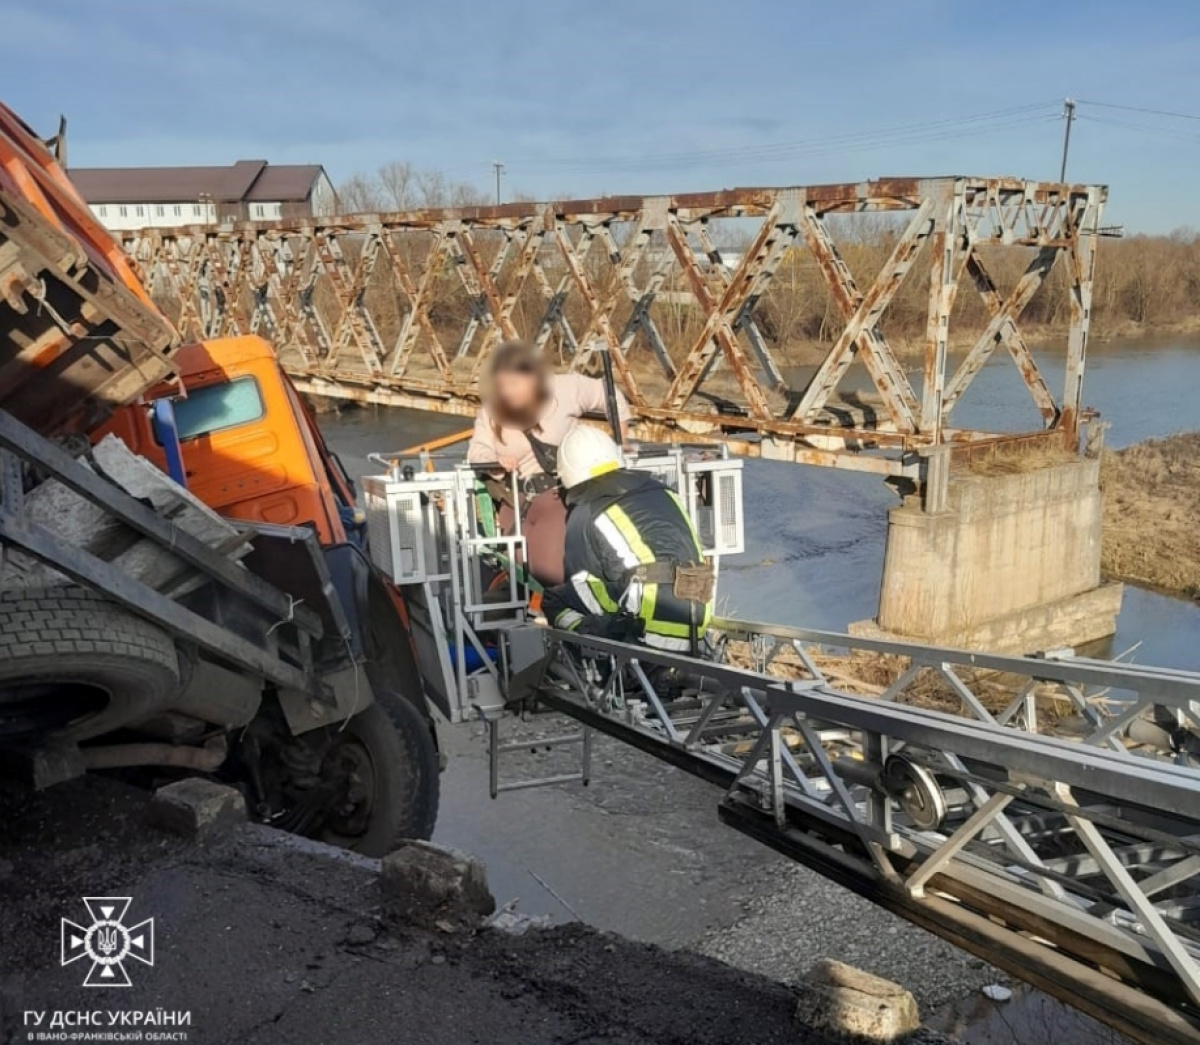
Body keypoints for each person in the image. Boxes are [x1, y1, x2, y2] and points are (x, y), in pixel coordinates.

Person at [467, 341, 629, 586]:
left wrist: (621, 442)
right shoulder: (492, 408)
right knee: (518, 565)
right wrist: (494, 461)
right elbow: (476, 451)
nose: (508, 392)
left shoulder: (564, 388)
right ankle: (536, 613)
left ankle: (567, 614)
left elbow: (610, 396)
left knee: (548, 568)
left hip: (560, 493)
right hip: (517, 497)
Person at [542, 426, 714, 653]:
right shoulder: (665, 492)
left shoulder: (586, 511)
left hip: (643, 628)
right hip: (696, 619)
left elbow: (580, 575)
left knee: (556, 599)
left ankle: (590, 667)